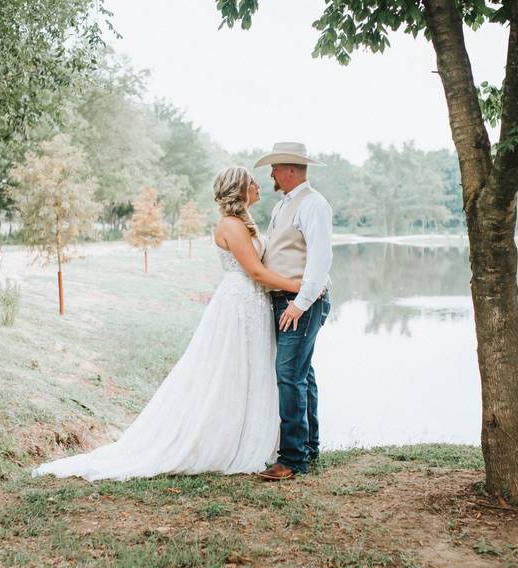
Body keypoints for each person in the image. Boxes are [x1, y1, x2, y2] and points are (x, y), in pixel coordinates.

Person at [34, 166, 298, 481]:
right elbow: (254, 271)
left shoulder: (245, 223)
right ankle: (223, 442)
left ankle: (251, 435)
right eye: (251, 182)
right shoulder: (230, 225)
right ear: (240, 190)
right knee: (230, 369)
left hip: (254, 303)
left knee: (253, 369)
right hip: (239, 303)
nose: (258, 186)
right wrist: (299, 287)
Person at [254, 142, 334, 481]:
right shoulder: (283, 205)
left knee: (289, 375)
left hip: (300, 303)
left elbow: (320, 258)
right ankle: (308, 448)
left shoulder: (313, 204)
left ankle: (292, 459)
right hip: (284, 299)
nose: (271, 173)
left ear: (289, 169)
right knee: (303, 374)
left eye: (274, 167)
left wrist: (300, 304)